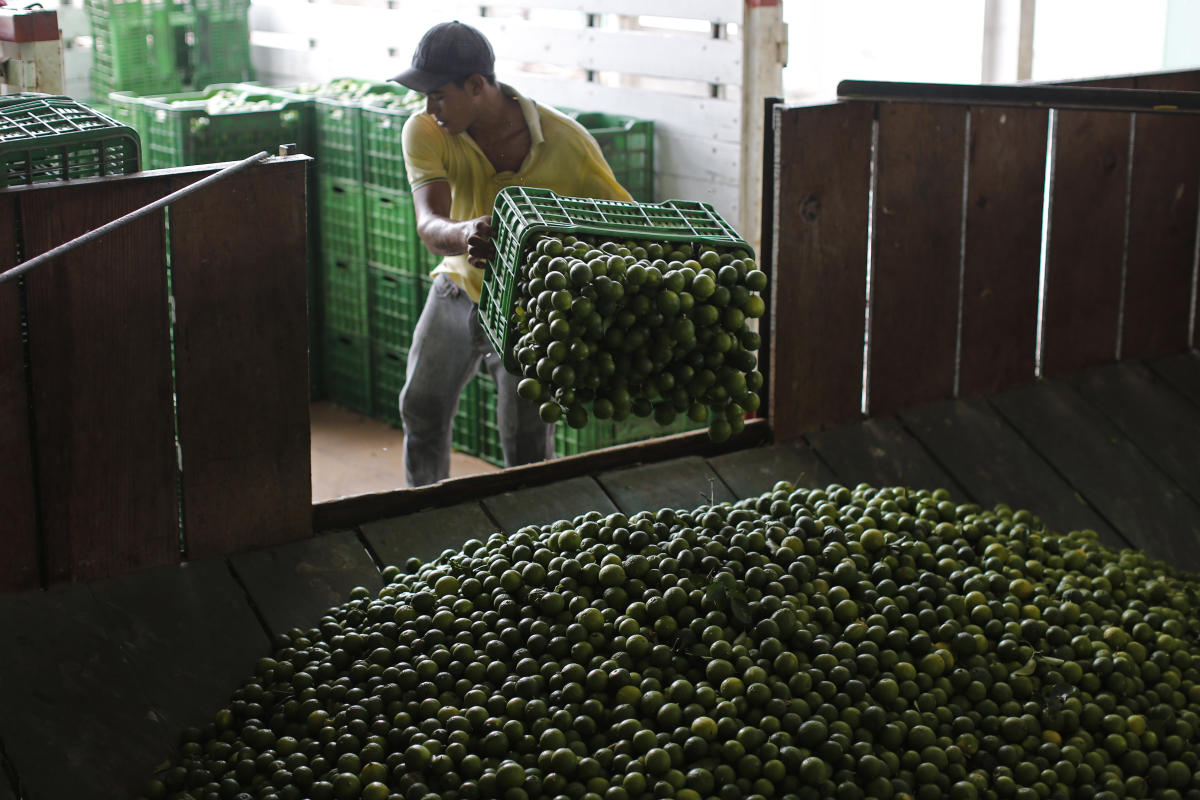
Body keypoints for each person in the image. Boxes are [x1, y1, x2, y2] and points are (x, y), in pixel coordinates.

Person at [392, 20, 632, 487]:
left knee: (525, 444)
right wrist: (464, 234)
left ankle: (527, 535)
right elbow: (429, 222)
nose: (429, 107)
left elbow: (618, 226)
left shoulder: (569, 144)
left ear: (476, 85)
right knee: (420, 409)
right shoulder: (426, 130)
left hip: (531, 310)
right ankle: (420, 509)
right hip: (458, 288)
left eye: (439, 94)